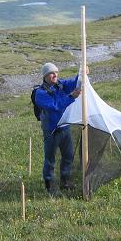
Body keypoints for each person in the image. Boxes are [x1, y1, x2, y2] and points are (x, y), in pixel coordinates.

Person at [34, 62, 81, 194]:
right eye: (52, 73)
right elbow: (55, 106)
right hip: (51, 130)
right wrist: (71, 97)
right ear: (45, 76)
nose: (55, 75)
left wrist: (82, 73)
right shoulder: (40, 93)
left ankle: (65, 182)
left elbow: (74, 82)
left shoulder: (60, 84)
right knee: (50, 159)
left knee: (68, 155)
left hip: (65, 128)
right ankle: (49, 186)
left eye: (56, 72)